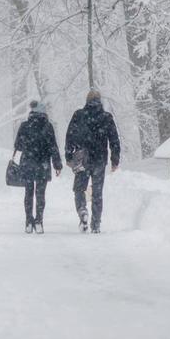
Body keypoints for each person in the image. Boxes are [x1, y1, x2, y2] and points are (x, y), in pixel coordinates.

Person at [65, 90, 120, 233]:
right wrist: (115, 159)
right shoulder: (106, 117)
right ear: (99, 101)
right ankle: (96, 224)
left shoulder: (79, 115)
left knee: (79, 189)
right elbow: (114, 140)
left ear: (87, 101)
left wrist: (68, 155)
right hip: (99, 160)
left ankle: (82, 210)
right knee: (97, 192)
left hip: (82, 159)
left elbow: (69, 135)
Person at [14, 100, 63, 234]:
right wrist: (57, 165)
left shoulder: (24, 126)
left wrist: (28, 146)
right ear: (43, 112)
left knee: (28, 193)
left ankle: (28, 222)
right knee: (40, 194)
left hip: (28, 164)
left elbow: (17, 145)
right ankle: (39, 221)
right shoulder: (48, 126)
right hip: (43, 165)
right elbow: (53, 147)